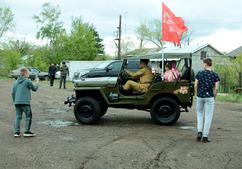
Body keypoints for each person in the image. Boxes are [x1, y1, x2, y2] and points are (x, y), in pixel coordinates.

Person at [194, 58, 220, 143]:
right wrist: (214, 97)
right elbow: (216, 88)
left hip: (200, 96)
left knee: (199, 114)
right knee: (208, 116)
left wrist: (198, 93)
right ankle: (205, 136)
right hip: (209, 97)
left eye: (203, 64)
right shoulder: (215, 74)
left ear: (205, 64)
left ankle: (199, 132)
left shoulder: (200, 73)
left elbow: (195, 85)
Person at [12, 68, 39, 137]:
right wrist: (37, 83)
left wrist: (15, 101)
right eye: (28, 74)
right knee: (28, 116)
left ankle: (16, 132)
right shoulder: (27, 81)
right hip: (25, 102)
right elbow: (34, 89)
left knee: (18, 117)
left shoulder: (15, 82)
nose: (28, 75)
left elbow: (13, 93)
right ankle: (26, 131)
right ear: (25, 74)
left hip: (17, 102)